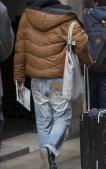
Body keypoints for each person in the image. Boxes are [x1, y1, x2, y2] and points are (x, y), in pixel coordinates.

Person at [13, 0, 92, 168]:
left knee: (43, 121)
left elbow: (20, 49)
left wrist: (19, 77)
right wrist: (86, 60)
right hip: (59, 80)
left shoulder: (26, 17)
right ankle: (50, 149)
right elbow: (82, 42)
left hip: (36, 80)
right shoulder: (66, 18)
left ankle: (49, 162)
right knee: (62, 117)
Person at [0, 1, 14, 145]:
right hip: (57, 74)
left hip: (35, 75)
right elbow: (6, 48)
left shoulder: (28, 20)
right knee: (60, 115)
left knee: (42, 118)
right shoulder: (68, 20)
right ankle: (50, 146)